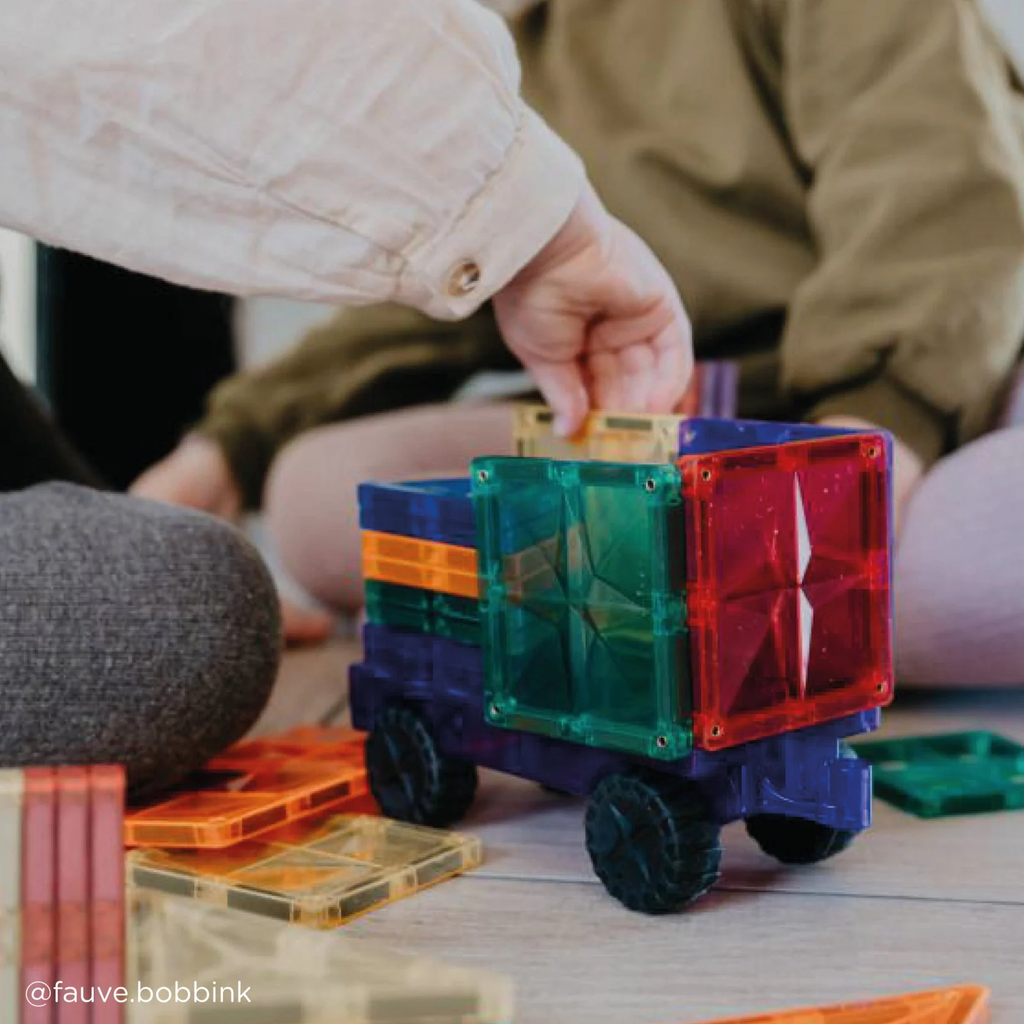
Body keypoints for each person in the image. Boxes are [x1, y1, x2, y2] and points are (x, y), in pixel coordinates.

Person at [137, 0, 1024, 686]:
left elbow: (936, 193)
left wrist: (851, 455)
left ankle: (732, 604)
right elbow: (431, 280)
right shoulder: (504, 49)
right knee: (314, 495)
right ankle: (725, 612)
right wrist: (224, 451)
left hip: (933, 382)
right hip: (684, 426)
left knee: (977, 551)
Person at [0, 0, 693, 793]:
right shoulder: (538, 51)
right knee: (200, 601)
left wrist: (108, 522)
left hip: (766, 403)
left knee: (181, 602)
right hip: (619, 370)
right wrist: (224, 448)